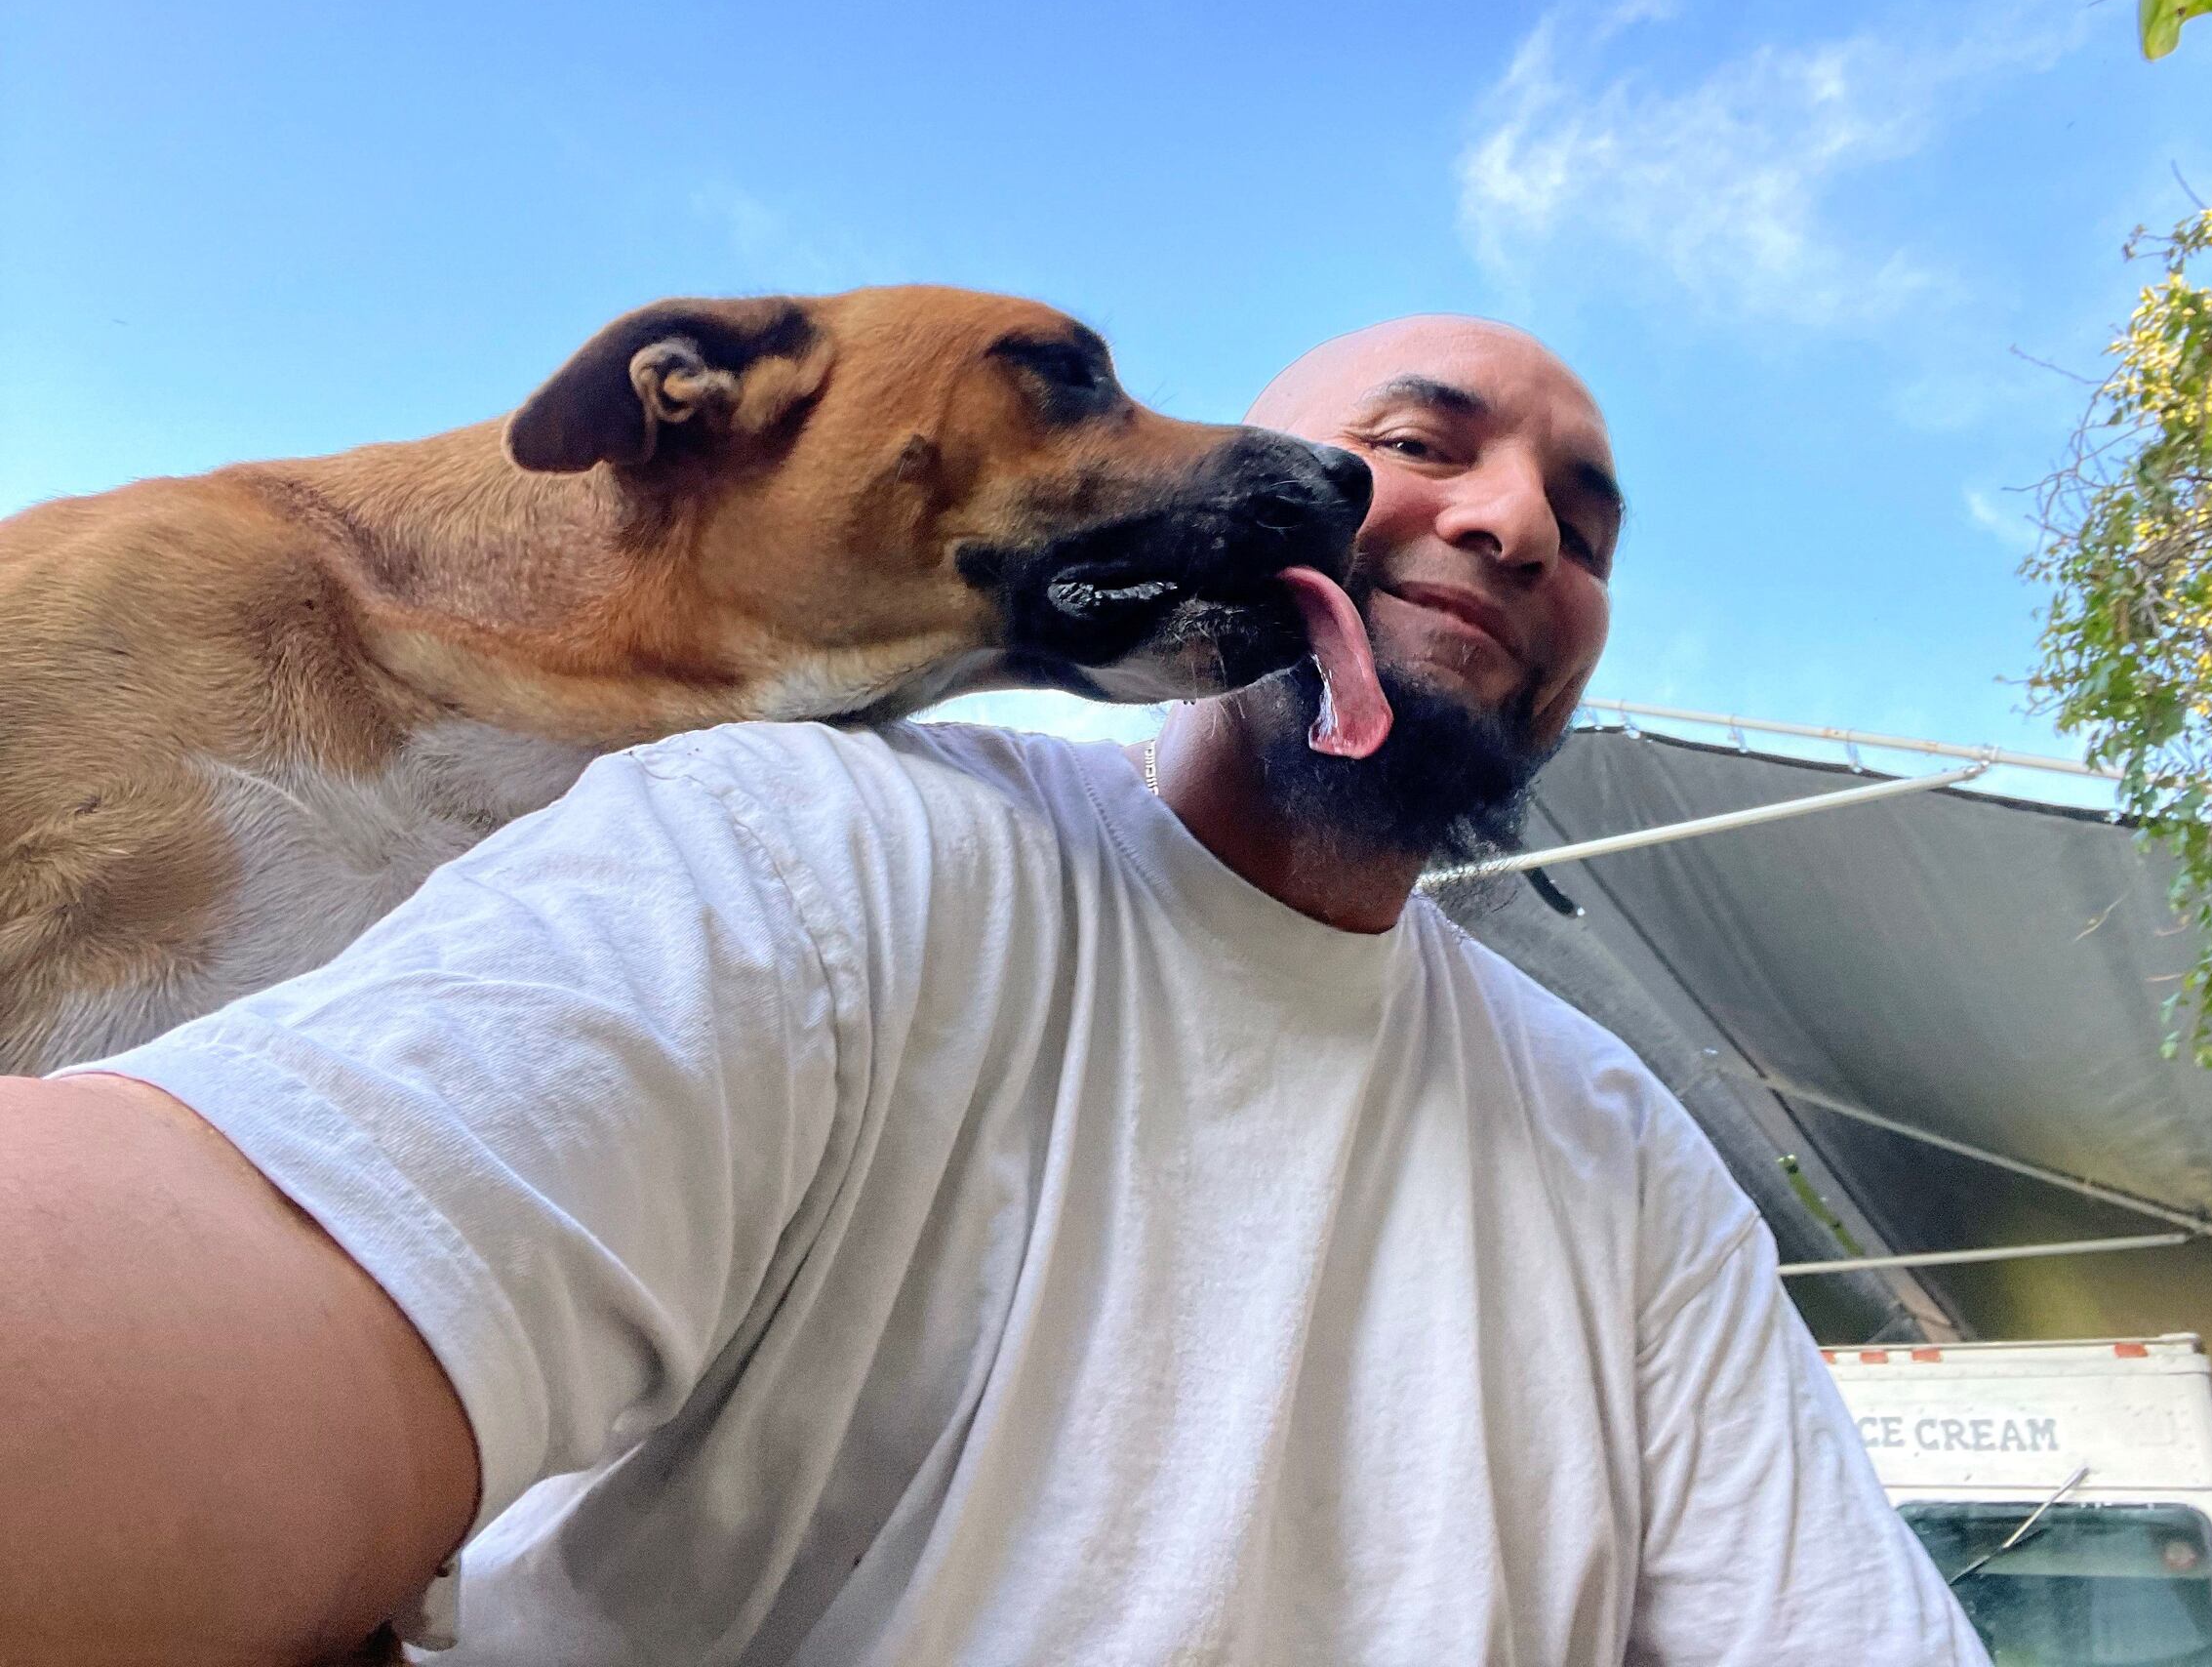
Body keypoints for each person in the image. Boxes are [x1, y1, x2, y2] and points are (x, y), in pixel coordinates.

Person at [0, 316, 1989, 1665]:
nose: (1514, 522)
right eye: (1410, 449)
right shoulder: (822, 852)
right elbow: (275, 1264)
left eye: (1582, 520)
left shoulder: (1633, 1169)